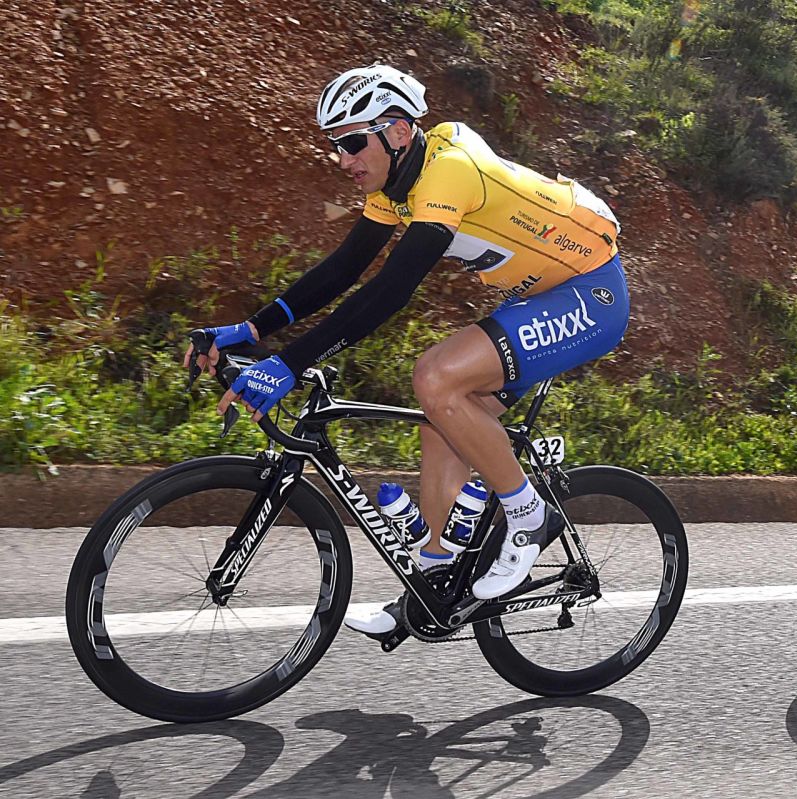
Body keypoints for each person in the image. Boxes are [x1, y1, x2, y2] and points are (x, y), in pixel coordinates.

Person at [182, 65, 629, 633]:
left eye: (351, 143)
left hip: (590, 295)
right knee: (442, 421)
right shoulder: (396, 185)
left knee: (436, 377)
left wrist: (290, 363)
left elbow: (391, 290)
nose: (341, 159)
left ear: (396, 132)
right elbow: (344, 270)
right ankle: (434, 587)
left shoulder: (448, 173)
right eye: (334, 146)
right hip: (537, 299)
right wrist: (252, 329)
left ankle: (527, 515)